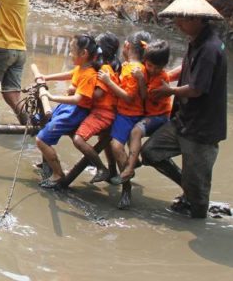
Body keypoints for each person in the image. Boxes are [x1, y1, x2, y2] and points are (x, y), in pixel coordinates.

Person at [142, 0, 227, 218]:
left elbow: (197, 89)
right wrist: (167, 76)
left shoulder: (209, 48)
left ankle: (199, 216)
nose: (178, 24)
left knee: (199, 193)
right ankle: (187, 188)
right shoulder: (196, 42)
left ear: (196, 19)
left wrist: (167, 91)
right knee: (150, 151)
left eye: (181, 19)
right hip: (184, 120)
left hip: (201, 128)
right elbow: (188, 70)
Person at [35, 34, 100, 188]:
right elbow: (70, 74)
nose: (69, 54)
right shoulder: (82, 68)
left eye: (71, 51)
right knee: (39, 120)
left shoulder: (90, 75)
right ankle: (47, 163)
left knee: (41, 140)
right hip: (68, 108)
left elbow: (78, 99)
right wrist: (46, 77)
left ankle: (58, 174)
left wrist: (51, 96)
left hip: (75, 112)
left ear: (83, 53)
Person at [97, 31, 150, 187]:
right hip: (129, 113)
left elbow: (128, 97)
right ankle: (126, 166)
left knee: (116, 146)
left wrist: (107, 81)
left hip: (127, 114)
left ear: (126, 46)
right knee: (109, 140)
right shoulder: (130, 66)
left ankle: (127, 173)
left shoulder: (134, 69)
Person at [117, 39, 172, 185]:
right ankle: (134, 161)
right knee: (131, 128)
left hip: (160, 116)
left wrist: (141, 80)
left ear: (164, 66)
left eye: (157, 67)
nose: (153, 70)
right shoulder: (143, 69)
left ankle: (129, 168)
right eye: (150, 66)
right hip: (148, 113)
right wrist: (126, 64)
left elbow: (145, 96)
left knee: (136, 131)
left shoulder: (161, 78)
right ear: (144, 61)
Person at [72, 32, 121, 184]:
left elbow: (99, 94)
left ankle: (101, 168)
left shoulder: (104, 68)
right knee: (104, 140)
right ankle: (112, 172)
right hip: (106, 111)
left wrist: (79, 91)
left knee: (78, 139)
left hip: (103, 112)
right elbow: (74, 74)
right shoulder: (105, 66)